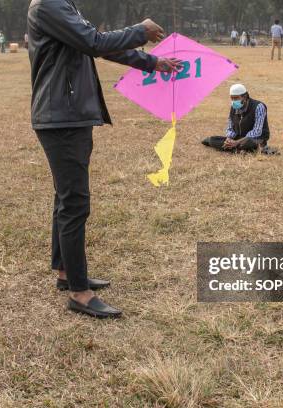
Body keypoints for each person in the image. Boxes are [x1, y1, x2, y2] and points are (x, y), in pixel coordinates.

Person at [27, 0, 181, 318]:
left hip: (67, 116)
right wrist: (140, 30)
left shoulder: (62, 5)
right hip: (61, 118)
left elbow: (99, 46)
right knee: (75, 203)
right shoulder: (49, 5)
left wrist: (153, 63)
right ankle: (79, 294)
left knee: (65, 197)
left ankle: (66, 272)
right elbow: (95, 42)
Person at [201, 84, 272, 154]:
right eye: (232, 98)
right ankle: (239, 150)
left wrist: (237, 142)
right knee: (214, 139)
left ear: (245, 96)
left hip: (255, 139)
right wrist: (229, 139)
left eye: (236, 98)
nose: (234, 101)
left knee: (247, 143)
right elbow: (230, 126)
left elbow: (257, 131)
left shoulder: (258, 106)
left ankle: (238, 149)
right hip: (238, 138)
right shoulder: (234, 107)